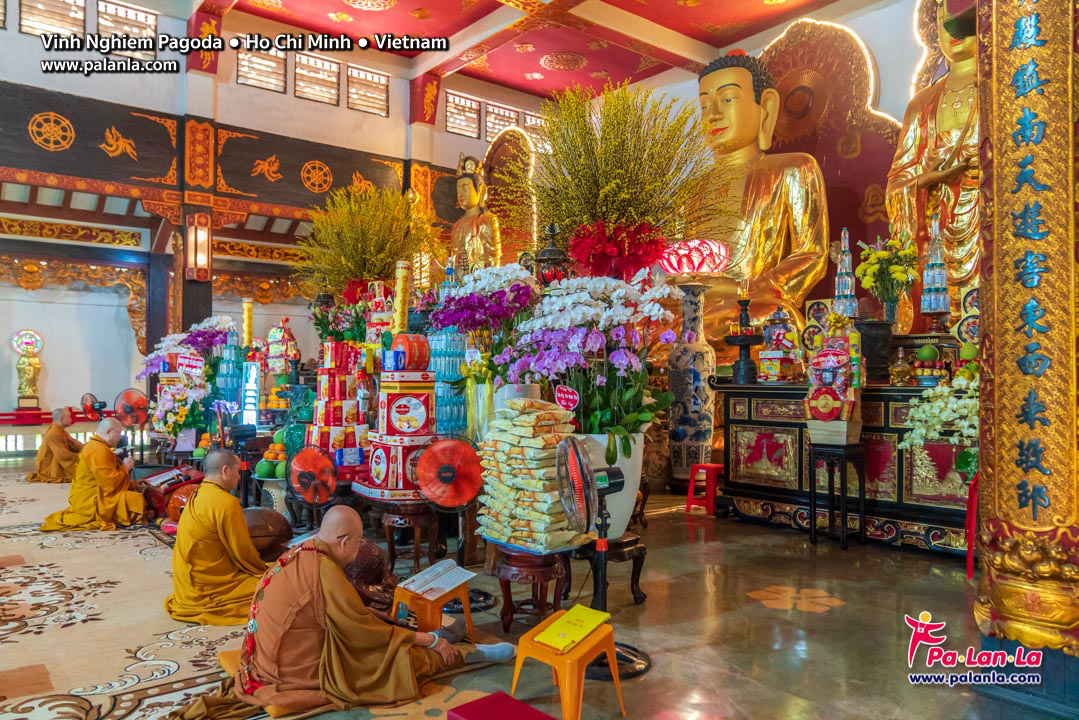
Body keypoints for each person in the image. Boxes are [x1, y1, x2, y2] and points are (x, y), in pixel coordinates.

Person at [171, 506, 514, 719]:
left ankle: (439, 640)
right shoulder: (325, 570)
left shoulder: (301, 550)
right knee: (391, 664)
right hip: (293, 673)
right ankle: (464, 654)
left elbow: (348, 617)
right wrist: (423, 639)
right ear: (345, 541)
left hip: (264, 661)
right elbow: (361, 631)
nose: (361, 548)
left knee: (385, 632)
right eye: (360, 541)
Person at [693, 52, 829, 350]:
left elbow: (811, 255)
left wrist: (745, 290)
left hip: (747, 305)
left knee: (774, 319)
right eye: (704, 105)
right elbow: (673, 263)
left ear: (765, 107)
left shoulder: (794, 168)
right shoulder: (689, 190)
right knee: (634, 323)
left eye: (727, 99)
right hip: (692, 309)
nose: (713, 114)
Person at [165, 450, 268, 626]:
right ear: (225, 471)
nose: (238, 477)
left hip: (186, 586)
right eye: (237, 471)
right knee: (274, 586)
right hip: (207, 588)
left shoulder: (197, 494)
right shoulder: (226, 503)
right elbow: (243, 553)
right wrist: (265, 571)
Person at [40, 417, 146, 531]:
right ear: (108, 432)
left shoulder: (98, 446)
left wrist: (132, 483)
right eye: (118, 433)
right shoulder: (98, 450)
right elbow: (110, 484)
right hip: (90, 502)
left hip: (91, 496)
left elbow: (105, 479)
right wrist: (125, 467)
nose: (120, 436)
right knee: (137, 500)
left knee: (135, 494)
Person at [26, 407, 83, 483]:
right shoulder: (54, 433)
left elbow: (74, 446)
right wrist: (81, 457)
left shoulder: (61, 431)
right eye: (69, 417)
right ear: (61, 419)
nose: (71, 419)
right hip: (48, 468)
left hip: (60, 460)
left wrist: (79, 445)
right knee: (85, 471)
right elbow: (63, 456)